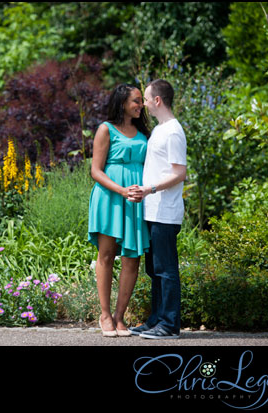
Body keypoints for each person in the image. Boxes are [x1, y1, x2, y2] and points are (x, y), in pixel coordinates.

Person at [87, 83, 150, 337]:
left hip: (136, 199)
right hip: (110, 197)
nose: (140, 105)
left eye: (141, 101)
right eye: (136, 101)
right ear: (122, 102)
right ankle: (104, 315)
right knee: (106, 254)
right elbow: (95, 170)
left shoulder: (143, 131)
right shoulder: (106, 129)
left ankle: (120, 316)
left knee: (132, 258)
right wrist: (122, 190)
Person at [127, 79, 187, 340]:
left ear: (158, 100)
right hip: (152, 211)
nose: (145, 104)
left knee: (166, 270)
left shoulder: (173, 131)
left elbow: (179, 173)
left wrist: (149, 189)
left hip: (166, 212)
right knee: (154, 270)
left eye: (147, 99)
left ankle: (170, 325)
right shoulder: (161, 129)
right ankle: (156, 321)